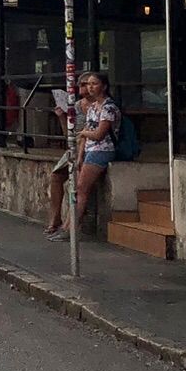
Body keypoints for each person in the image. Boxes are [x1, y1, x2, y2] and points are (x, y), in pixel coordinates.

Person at [46, 71, 118, 243]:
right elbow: (84, 137)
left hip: (101, 149)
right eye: (89, 84)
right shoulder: (93, 107)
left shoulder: (108, 108)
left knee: (81, 188)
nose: (91, 87)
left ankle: (70, 228)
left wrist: (84, 133)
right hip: (89, 149)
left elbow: (99, 134)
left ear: (104, 86)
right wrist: (80, 155)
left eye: (94, 84)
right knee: (75, 187)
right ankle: (65, 226)